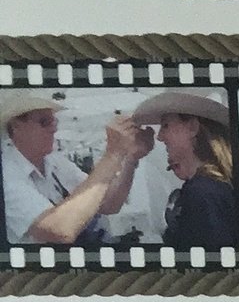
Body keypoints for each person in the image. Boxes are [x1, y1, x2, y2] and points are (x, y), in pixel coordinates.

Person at [3, 92, 146, 249]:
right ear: (16, 127)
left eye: (54, 121)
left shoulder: (54, 161)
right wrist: (112, 154)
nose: (53, 129)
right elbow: (60, 230)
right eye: (45, 122)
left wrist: (131, 159)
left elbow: (109, 204)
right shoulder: (7, 175)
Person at [135, 90, 239, 252]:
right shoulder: (208, 186)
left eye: (165, 126)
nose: (159, 137)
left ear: (193, 127)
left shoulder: (203, 192)